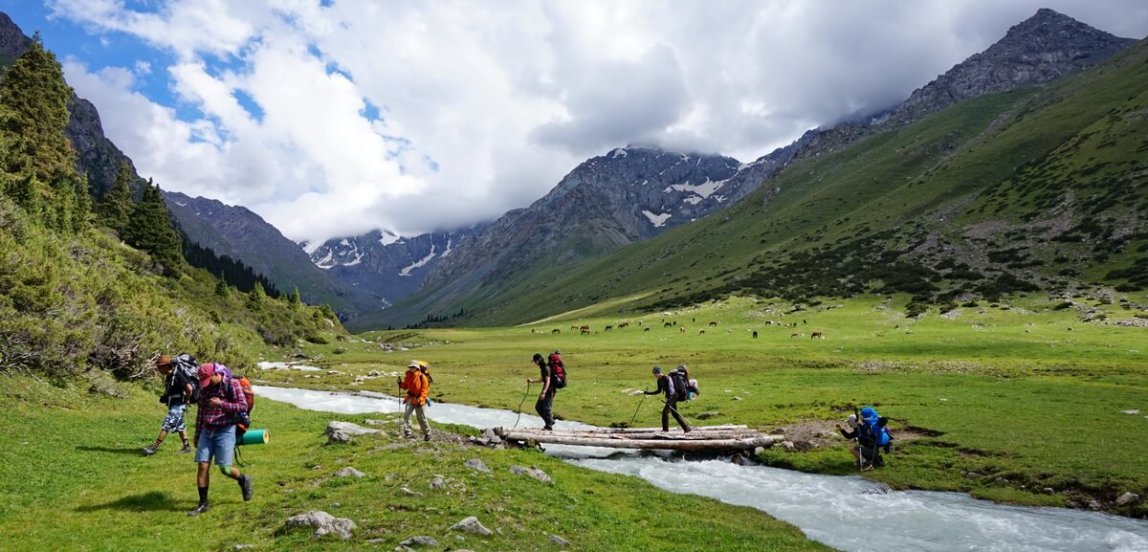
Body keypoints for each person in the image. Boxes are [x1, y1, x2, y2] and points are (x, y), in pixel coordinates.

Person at [189, 362, 253, 516]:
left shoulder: (233, 384)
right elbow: (201, 413)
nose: (206, 384)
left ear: (216, 374)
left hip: (225, 429)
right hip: (207, 430)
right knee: (202, 465)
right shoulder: (205, 389)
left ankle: (243, 479)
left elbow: (242, 406)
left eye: (209, 380)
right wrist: (197, 434)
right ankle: (203, 503)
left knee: (224, 468)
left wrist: (221, 404)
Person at [143, 355, 193, 456]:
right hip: (175, 404)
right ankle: (186, 446)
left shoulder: (178, 375)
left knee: (167, 425)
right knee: (180, 426)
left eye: (160, 367)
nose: (159, 369)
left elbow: (189, 388)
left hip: (178, 405)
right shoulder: (169, 376)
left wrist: (186, 401)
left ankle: (154, 447)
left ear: (167, 366)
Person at [643, 366, 691, 433]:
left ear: (658, 372)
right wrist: (646, 392)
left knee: (665, 412)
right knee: (675, 414)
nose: (654, 375)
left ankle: (665, 430)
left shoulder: (666, 378)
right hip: (670, 398)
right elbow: (658, 391)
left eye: (655, 373)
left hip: (674, 396)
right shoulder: (659, 380)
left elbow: (671, 389)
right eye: (654, 374)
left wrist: (669, 398)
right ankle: (686, 429)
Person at [398, 360, 431, 441]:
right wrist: (400, 383)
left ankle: (428, 434)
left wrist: (420, 399)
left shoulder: (422, 377)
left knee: (421, 417)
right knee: (407, 414)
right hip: (410, 397)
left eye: (412, 367)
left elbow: (425, 390)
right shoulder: (408, 375)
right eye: (410, 367)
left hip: (420, 399)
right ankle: (408, 432)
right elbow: (405, 386)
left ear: (416, 368)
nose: (410, 368)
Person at [527, 353, 556, 430]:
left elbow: (548, 381)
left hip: (549, 390)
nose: (535, 363)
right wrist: (533, 381)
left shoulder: (546, 368)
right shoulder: (543, 368)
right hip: (547, 389)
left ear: (539, 360)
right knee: (538, 407)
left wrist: (544, 392)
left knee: (546, 408)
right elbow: (543, 379)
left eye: (535, 361)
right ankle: (550, 422)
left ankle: (549, 425)